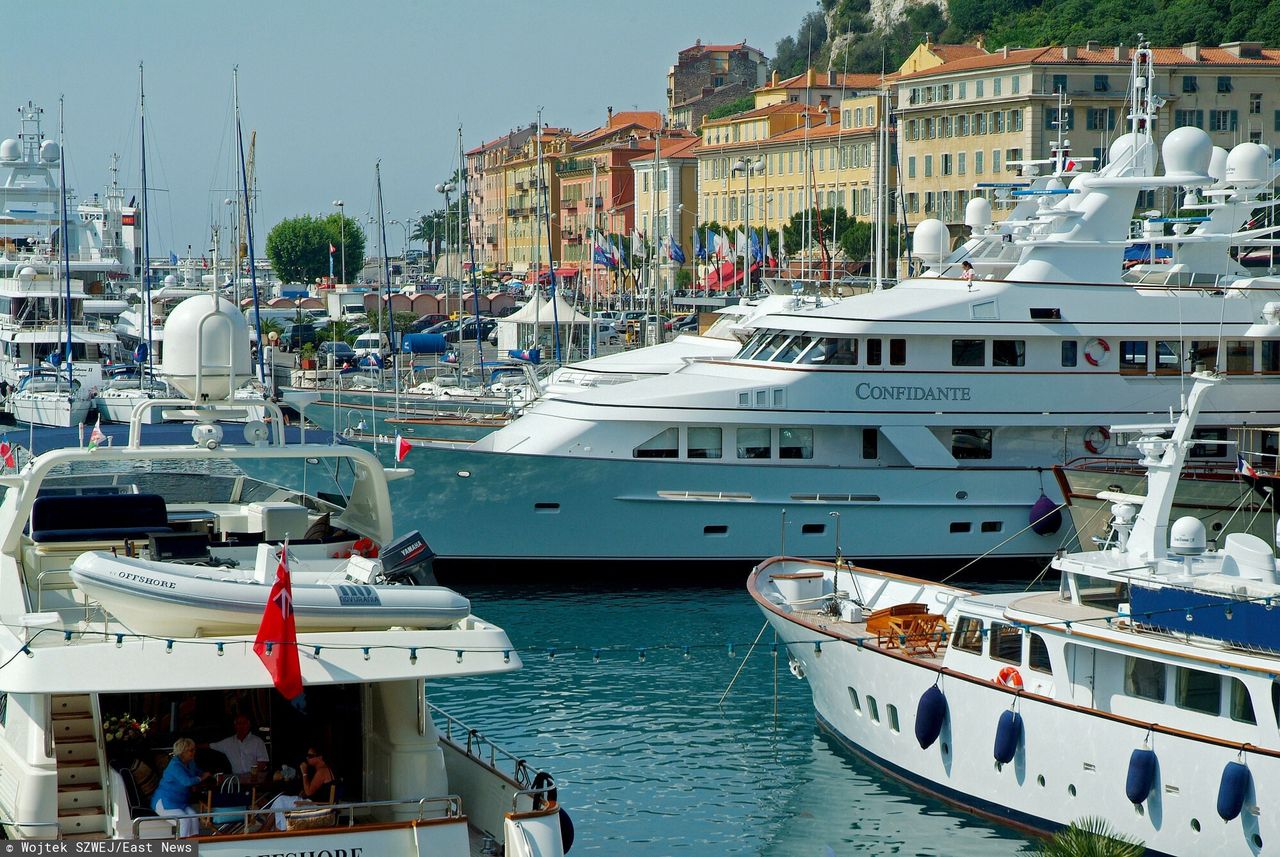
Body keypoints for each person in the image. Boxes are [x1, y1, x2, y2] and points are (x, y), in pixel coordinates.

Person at [265, 745, 337, 831]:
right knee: (281, 801)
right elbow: (314, 792)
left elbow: (309, 792)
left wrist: (304, 772)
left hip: (317, 807)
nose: (307, 758)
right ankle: (271, 830)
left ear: (320, 757)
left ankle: (278, 831)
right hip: (314, 803)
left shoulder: (322, 771)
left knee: (281, 801)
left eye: (310, 756)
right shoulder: (323, 769)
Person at [152, 738, 211, 838]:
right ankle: (182, 846)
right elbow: (187, 782)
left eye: (194, 749)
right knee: (183, 821)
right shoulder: (175, 765)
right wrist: (201, 778)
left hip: (180, 802)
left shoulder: (190, 762)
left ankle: (194, 843)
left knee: (194, 817)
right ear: (182, 752)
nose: (194, 752)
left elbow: (197, 772)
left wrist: (206, 775)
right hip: (165, 802)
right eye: (191, 750)